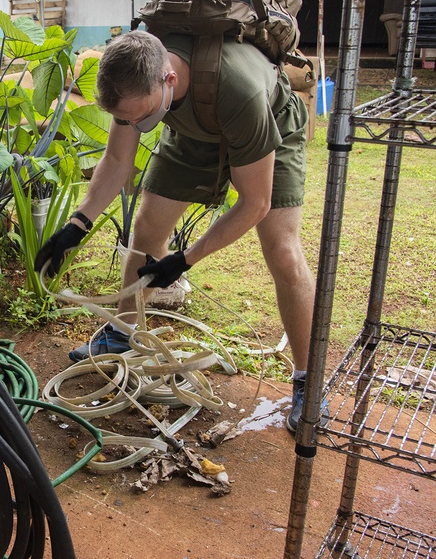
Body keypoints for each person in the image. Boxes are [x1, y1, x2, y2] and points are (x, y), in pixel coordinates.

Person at [36, 29, 317, 434]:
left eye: (140, 117)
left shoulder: (241, 91)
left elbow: (255, 203)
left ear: (168, 79)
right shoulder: (134, 85)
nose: (134, 124)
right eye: (126, 118)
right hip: (191, 128)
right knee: (147, 228)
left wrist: (185, 260)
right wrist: (75, 227)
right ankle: (122, 333)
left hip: (266, 124)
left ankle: (308, 378)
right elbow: (118, 159)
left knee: (283, 252)